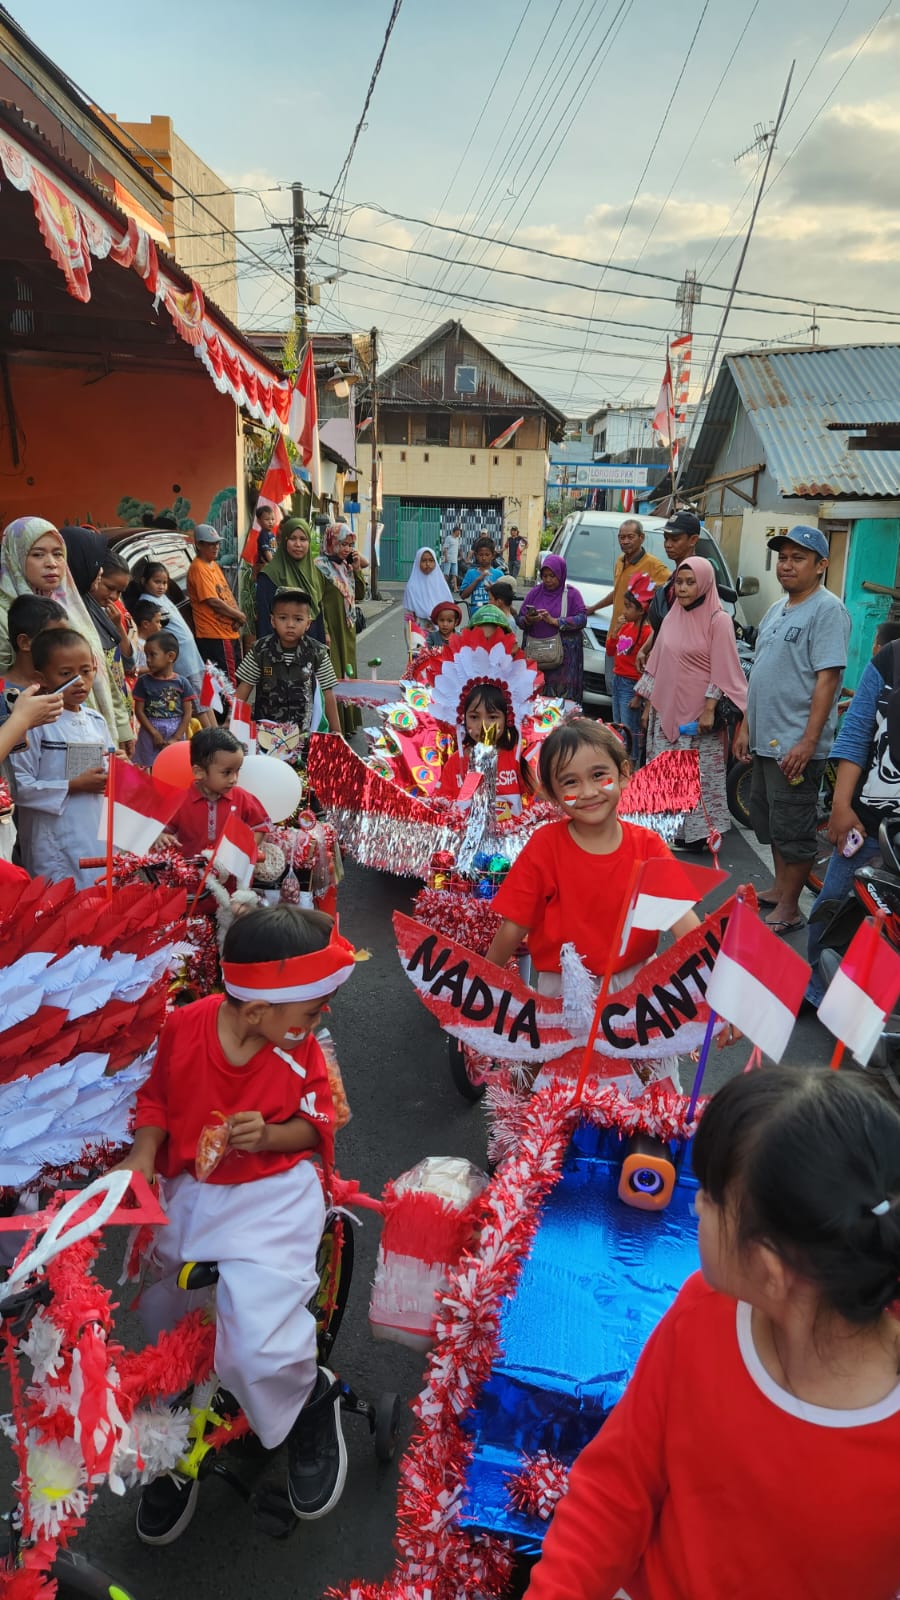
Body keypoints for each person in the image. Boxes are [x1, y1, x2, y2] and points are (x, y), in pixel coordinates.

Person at [523, 1066, 900, 1600]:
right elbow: (616, 1487)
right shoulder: (704, 1310)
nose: (696, 1203)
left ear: (769, 1268)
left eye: (714, 1196)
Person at [119, 906, 360, 1543]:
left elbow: (320, 1125)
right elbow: (158, 1099)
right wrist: (146, 1153)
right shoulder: (185, 1026)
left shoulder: (300, 1049)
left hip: (273, 1193)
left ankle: (306, 1393)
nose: (318, 1021)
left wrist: (272, 1133)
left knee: (256, 1333)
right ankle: (174, 1437)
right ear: (256, 1011)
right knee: (167, 1315)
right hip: (195, 1187)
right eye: (310, 1010)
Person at [486, 718, 698, 998]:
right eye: (570, 782)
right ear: (552, 793)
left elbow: (687, 926)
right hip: (565, 992)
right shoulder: (545, 846)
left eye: (599, 775)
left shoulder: (648, 846)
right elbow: (514, 926)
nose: (588, 792)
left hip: (637, 986)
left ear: (623, 774)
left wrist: (721, 996)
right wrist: (482, 984)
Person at [734, 527, 850, 936]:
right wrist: (746, 725)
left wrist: (807, 740)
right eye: (783, 557)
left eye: (798, 558)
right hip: (766, 740)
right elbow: (760, 673)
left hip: (796, 746)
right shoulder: (777, 609)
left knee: (794, 825)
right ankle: (780, 887)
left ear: (821, 565)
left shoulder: (827, 610)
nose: (787, 564)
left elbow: (828, 679)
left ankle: (790, 906)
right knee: (770, 819)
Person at [806, 620, 900, 1004]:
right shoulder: (890, 660)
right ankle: (816, 991)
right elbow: (857, 733)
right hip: (867, 823)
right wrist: (842, 805)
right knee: (834, 907)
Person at [635, 558, 748, 848]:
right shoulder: (674, 613)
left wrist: (709, 708)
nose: (683, 589)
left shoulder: (718, 620)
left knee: (696, 775)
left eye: (690, 582)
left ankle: (699, 835)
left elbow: (722, 669)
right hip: (665, 710)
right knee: (667, 772)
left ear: (705, 583)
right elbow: (659, 661)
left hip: (698, 716)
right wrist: (649, 703)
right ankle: (674, 831)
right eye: (679, 583)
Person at [0, 517, 129, 748]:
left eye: (58, 554)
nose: (51, 563)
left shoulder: (70, 606)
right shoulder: (5, 615)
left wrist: (121, 728)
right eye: (38, 554)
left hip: (86, 728)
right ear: (15, 556)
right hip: (34, 737)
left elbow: (99, 668)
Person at [10, 627, 113, 889]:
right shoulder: (34, 723)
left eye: (86, 671)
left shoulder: (96, 721)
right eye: (66, 674)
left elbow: (108, 766)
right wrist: (72, 785)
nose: (79, 681)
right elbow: (18, 786)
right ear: (41, 678)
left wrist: (116, 767)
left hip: (95, 831)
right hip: (53, 838)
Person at [235, 587, 341, 735]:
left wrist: (336, 731)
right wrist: (231, 720)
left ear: (308, 623)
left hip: (305, 734)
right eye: (283, 618)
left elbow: (328, 693)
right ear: (273, 620)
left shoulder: (318, 653)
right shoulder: (259, 650)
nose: (290, 624)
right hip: (267, 734)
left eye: (298, 619)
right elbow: (244, 688)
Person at [63, 532, 136, 727]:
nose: (114, 596)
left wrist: (118, 625)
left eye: (120, 592)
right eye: (109, 587)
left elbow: (129, 662)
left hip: (118, 709)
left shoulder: (108, 613)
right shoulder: (77, 616)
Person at [170, 727, 268, 860]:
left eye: (237, 770)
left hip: (230, 878)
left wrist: (245, 851)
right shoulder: (180, 801)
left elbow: (261, 827)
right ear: (199, 772)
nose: (234, 779)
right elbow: (163, 830)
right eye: (226, 772)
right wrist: (162, 837)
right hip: (191, 876)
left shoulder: (241, 797)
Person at [436, 680, 530, 818]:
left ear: (507, 719)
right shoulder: (455, 762)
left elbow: (536, 802)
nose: (483, 725)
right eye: (474, 717)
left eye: (492, 717)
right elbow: (442, 807)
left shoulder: (518, 758)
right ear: (464, 719)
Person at [126, 558, 205, 702]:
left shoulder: (161, 598)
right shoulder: (148, 603)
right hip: (180, 659)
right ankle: (210, 725)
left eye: (165, 583)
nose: (162, 587)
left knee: (203, 699)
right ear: (144, 581)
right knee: (195, 702)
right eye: (157, 582)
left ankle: (213, 725)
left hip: (190, 655)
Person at [636, 510, 702, 670]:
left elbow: (686, 630)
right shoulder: (674, 576)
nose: (668, 544)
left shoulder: (698, 580)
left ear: (693, 540)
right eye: (665, 539)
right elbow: (668, 623)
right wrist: (646, 648)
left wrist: (658, 652)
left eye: (675, 539)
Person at [315, 524, 365, 736]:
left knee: (348, 673)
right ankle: (337, 725)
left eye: (350, 545)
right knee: (333, 675)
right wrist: (324, 630)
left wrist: (356, 568)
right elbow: (317, 601)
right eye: (343, 544)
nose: (346, 548)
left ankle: (349, 723)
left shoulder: (345, 566)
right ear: (332, 542)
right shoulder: (319, 566)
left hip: (347, 629)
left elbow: (360, 594)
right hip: (332, 631)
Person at [520, 552, 588, 703]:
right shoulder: (535, 593)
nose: (548, 580)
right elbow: (520, 618)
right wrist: (529, 619)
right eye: (545, 576)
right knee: (536, 698)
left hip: (563, 661)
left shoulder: (571, 594)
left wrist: (556, 621)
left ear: (561, 574)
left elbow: (582, 618)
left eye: (552, 576)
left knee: (560, 701)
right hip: (536, 654)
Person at [584, 518, 669, 627]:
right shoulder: (620, 561)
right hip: (615, 629)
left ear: (641, 538)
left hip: (635, 635)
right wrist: (594, 608)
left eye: (630, 537)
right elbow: (618, 592)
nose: (625, 541)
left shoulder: (654, 566)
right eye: (622, 537)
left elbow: (671, 590)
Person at [187, 524, 245, 677]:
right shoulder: (199, 568)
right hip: (215, 635)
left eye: (217, 543)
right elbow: (212, 601)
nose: (216, 547)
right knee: (228, 684)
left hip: (227, 632)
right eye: (210, 544)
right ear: (199, 545)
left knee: (235, 678)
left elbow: (226, 594)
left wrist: (237, 614)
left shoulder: (212, 564)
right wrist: (239, 616)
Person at [132, 630, 196, 769]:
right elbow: (139, 711)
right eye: (146, 655)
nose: (148, 660)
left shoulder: (182, 683)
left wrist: (176, 738)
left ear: (170, 656)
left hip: (176, 731)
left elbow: (187, 714)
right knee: (150, 767)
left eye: (152, 655)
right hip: (149, 732)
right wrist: (154, 733)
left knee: (173, 766)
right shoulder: (143, 682)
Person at [257, 517, 326, 644]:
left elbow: (319, 614)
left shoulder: (315, 574)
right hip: (280, 650)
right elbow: (264, 620)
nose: (298, 544)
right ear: (284, 541)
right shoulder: (270, 575)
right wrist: (268, 658)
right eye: (293, 538)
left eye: (303, 539)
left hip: (312, 647)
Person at [608, 572, 654, 752]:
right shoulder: (626, 627)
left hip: (632, 685)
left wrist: (639, 696)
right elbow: (611, 650)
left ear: (641, 609)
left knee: (630, 728)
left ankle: (631, 760)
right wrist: (615, 631)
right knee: (619, 725)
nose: (624, 611)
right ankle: (622, 757)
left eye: (628, 607)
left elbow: (647, 667)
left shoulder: (647, 633)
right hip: (617, 680)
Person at [3, 595, 68, 700]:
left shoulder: (64, 686)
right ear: (24, 642)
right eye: (55, 637)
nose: (65, 646)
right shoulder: (2, 691)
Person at [239, 504, 278, 646]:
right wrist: (275, 564)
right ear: (259, 521)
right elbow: (268, 555)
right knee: (265, 609)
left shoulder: (272, 534)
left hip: (271, 572)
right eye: (267, 519)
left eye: (273, 519)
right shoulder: (263, 536)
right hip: (266, 573)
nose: (271, 522)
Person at [404, 548, 454, 636]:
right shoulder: (412, 586)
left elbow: (449, 607)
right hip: (419, 631)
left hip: (442, 629)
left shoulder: (441, 583)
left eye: (431, 560)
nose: (428, 564)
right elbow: (409, 615)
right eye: (423, 561)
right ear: (418, 562)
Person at [459, 538, 505, 615]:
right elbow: (463, 596)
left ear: (493, 555)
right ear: (476, 555)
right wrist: (477, 579)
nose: (484, 558)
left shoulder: (499, 574)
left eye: (487, 555)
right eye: (481, 555)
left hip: (494, 616)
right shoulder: (471, 573)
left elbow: (505, 598)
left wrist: (493, 589)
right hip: (476, 616)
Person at [130, 600, 165, 675]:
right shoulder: (136, 644)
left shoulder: (152, 640)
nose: (160, 625)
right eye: (157, 622)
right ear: (145, 624)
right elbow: (132, 669)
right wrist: (157, 666)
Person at [441, 525, 461, 592]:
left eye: (459, 533)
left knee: (455, 574)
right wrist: (446, 557)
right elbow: (445, 548)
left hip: (455, 560)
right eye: (457, 533)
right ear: (454, 532)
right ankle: (443, 587)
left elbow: (457, 549)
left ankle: (455, 588)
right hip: (448, 559)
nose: (458, 534)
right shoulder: (448, 538)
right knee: (446, 574)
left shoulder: (457, 539)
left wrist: (459, 556)